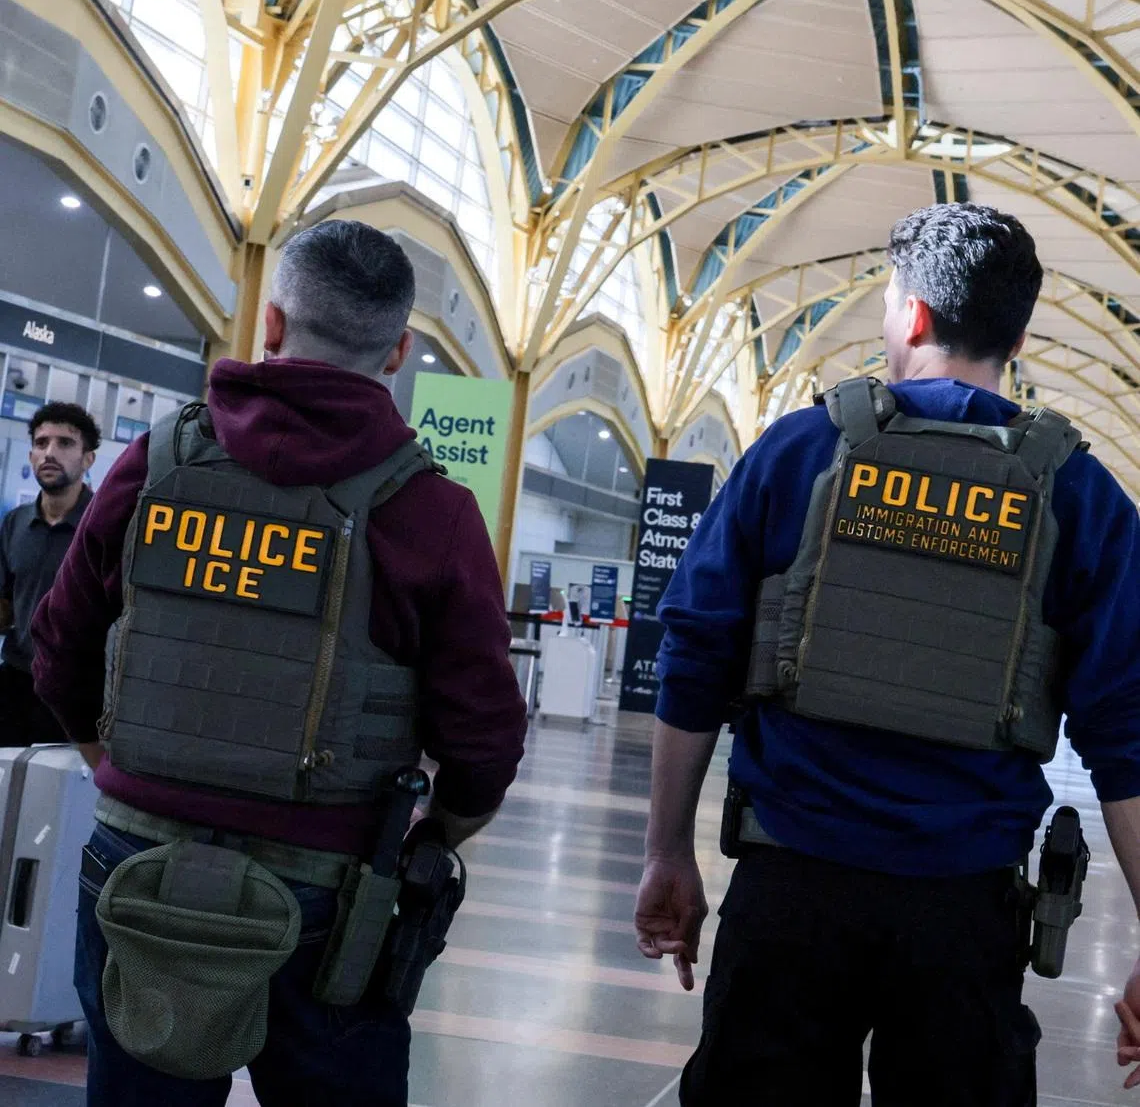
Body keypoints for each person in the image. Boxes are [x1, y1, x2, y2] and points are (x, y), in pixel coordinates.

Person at [633, 203, 1140, 1106]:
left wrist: (666, 852)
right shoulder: (1080, 494)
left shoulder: (799, 450)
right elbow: (1125, 732)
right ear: (1017, 336)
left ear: (908, 315)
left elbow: (696, 656)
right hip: (963, 910)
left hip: (789, 888)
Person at [32, 219, 528, 1107]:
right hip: (330, 898)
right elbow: (485, 739)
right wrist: (437, 834)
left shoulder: (160, 463)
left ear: (269, 323)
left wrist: (121, 771)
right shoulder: (432, 512)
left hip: (138, 865)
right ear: (398, 351)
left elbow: (59, 646)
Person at [0, 402, 100, 747]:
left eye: (65, 443)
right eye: (41, 443)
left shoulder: (106, 528)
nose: (50, 453)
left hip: (75, 694)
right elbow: (6, 604)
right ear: (30, 456)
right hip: (15, 685)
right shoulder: (15, 523)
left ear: (88, 459)